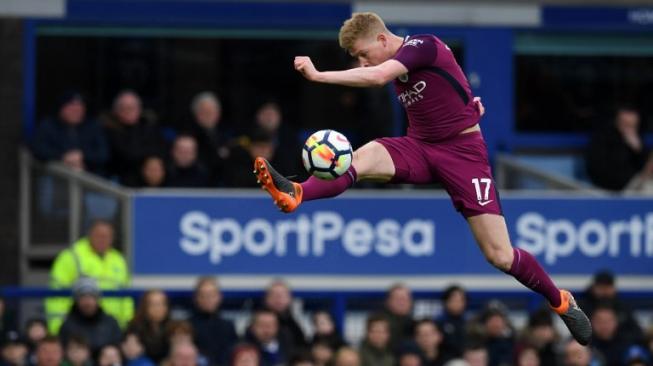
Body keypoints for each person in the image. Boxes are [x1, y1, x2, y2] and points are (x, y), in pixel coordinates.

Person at [252, 11, 591, 345]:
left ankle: (560, 300)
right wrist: (466, 103)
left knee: (499, 255)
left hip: (463, 156)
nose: (364, 64)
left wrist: (318, 75)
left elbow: (378, 76)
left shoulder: (422, 45)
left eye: (364, 55)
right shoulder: (396, 62)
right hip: (421, 147)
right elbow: (444, 88)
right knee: (365, 155)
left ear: (383, 39)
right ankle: (296, 192)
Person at [46, 220, 133, 334]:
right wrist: (57, 328)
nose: (103, 239)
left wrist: (126, 325)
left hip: (112, 329)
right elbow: (56, 294)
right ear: (89, 235)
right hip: (78, 326)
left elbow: (126, 296)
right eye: (99, 235)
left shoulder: (119, 260)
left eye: (107, 236)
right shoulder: (71, 257)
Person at [31, 91, 109, 174]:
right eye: (72, 109)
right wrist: (64, 156)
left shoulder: (92, 126)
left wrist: (81, 156)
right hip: (55, 174)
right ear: (62, 108)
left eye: (79, 109)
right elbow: (38, 148)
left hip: (87, 176)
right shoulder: (48, 125)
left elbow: (102, 154)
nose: (76, 112)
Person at [103, 90, 165, 185]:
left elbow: (159, 149)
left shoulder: (149, 126)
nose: (129, 111)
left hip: (147, 180)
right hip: (119, 180)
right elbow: (127, 155)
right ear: (116, 111)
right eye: (124, 108)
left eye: (132, 108)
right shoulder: (110, 129)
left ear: (140, 109)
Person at [586, 106, 653, 191]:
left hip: (636, 182)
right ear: (617, 122)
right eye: (626, 124)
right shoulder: (603, 139)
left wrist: (639, 150)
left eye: (633, 125)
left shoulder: (638, 139)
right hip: (613, 185)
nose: (630, 129)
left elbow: (645, 169)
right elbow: (597, 168)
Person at [58, 278, 122, 354]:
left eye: (91, 297)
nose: (87, 302)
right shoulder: (67, 326)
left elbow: (119, 351)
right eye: (83, 297)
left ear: (97, 299)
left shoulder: (111, 324)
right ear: (76, 300)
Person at [188, 277, 237, 366]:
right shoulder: (187, 326)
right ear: (196, 298)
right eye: (203, 295)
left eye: (211, 295)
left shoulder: (228, 326)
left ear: (219, 297)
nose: (207, 299)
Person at [188, 92, 231, 185]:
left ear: (218, 114)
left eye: (212, 112)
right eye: (204, 112)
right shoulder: (189, 136)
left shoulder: (225, 135)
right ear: (196, 114)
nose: (208, 115)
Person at [127, 290, 171, 363]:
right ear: (145, 307)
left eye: (162, 304)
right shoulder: (134, 327)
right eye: (154, 304)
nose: (159, 308)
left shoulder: (173, 326)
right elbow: (132, 352)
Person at [262, 280, 306, 350]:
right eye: (274, 295)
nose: (278, 298)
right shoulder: (256, 323)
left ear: (289, 299)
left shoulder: (296, 325)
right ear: (266, 299)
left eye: (282, 295)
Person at [436, 285, 468, 360]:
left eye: (461, 300)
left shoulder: (468, 323)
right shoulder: (439, 322)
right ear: (446, 301)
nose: (458, 303)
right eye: (454, 300)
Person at [380, 283, 414, 350]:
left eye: (404, 299)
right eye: (397, 299)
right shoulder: (381, 323)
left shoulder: (414, 324)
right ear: (388, 302)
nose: (401, 303)